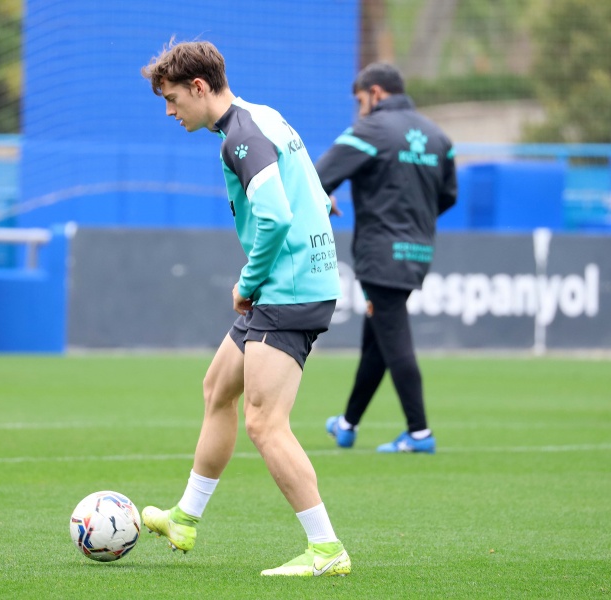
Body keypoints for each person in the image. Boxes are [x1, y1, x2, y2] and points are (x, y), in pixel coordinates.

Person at [139, 39, 350, 577]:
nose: (170, 112)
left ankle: (326, 549)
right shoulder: (261, 116)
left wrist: (247, 282)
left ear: (198, 87)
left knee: (264, 422)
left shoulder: (240, 137)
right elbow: (312, 189)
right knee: (218, 389)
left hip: (288, 288)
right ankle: (185, 518)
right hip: (292, 280)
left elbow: (275, 217)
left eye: (172, 99)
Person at [315, 62, 457, 454]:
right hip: (418, 251)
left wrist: (325, 197)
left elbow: (316, 177)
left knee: (394, 340)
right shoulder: (439, 137)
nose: (359, 109)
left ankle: (419, 433)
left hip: (380, 253)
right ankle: (347, 424)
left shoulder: (371, 130)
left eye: (360, 100)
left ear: (375, 93)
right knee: (378, 340)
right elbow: (448, 196)